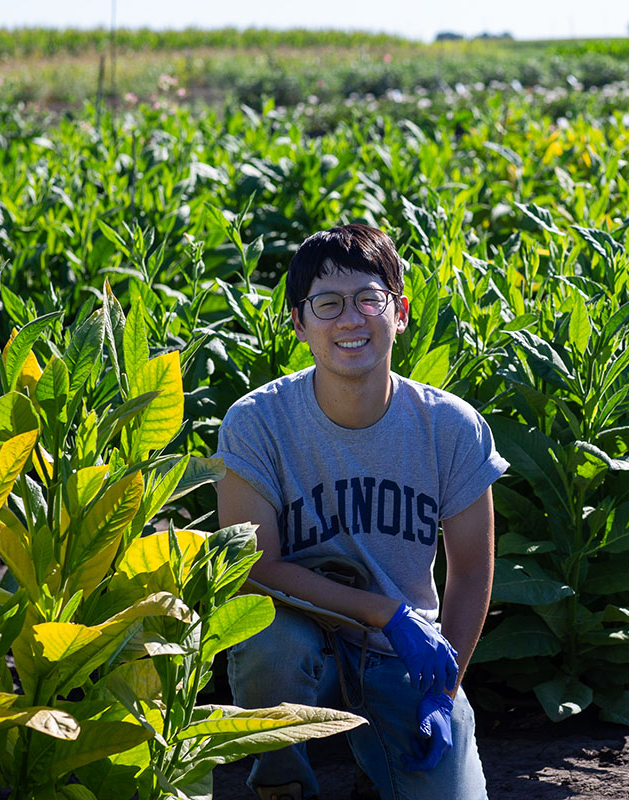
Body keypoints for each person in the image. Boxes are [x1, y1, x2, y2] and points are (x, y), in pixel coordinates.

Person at [215, 223, 507, 800]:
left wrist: (442, 692)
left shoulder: (450, 427)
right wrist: (385, 612)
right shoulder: (257, 423)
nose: (350, 320)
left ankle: (378, 775)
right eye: (327, 304)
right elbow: (254, 566)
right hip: (303, 631)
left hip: (403, 654)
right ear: (299, 324)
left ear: (398, 312)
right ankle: (282, 785)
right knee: (268, 646)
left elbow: (471, 569)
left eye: (368, 299)